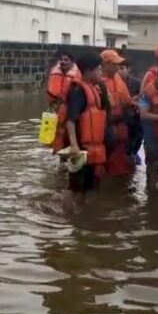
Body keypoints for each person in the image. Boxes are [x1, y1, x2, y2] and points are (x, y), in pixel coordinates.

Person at [50, 52, 111, 213]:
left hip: (90, 147)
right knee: (74, 186)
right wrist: (74, 145)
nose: (101, 73)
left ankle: (80, 215)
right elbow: (70, 120)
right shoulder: (78, 91)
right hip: (79, 146)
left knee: (85, 186)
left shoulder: (94, 89)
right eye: (98, 69)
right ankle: (68, 219)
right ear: (88, 71)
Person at [99, 49, 136, 177]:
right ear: (105, 65)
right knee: (102, 162)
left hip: (120, 125)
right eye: (114, 64)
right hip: (104, 127)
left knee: (119, 163)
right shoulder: (97, 82)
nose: (117, 67)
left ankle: (116, 189)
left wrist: (133, 104)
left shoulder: (118, 79)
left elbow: (127, 101)